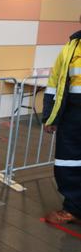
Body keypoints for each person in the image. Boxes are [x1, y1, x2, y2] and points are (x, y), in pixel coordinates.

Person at [42, 20, 81, 225]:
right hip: (72, 116)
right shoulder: (70, 48)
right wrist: (49, 116)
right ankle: (72, 209)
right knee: (67, 163)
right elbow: (54, 83)